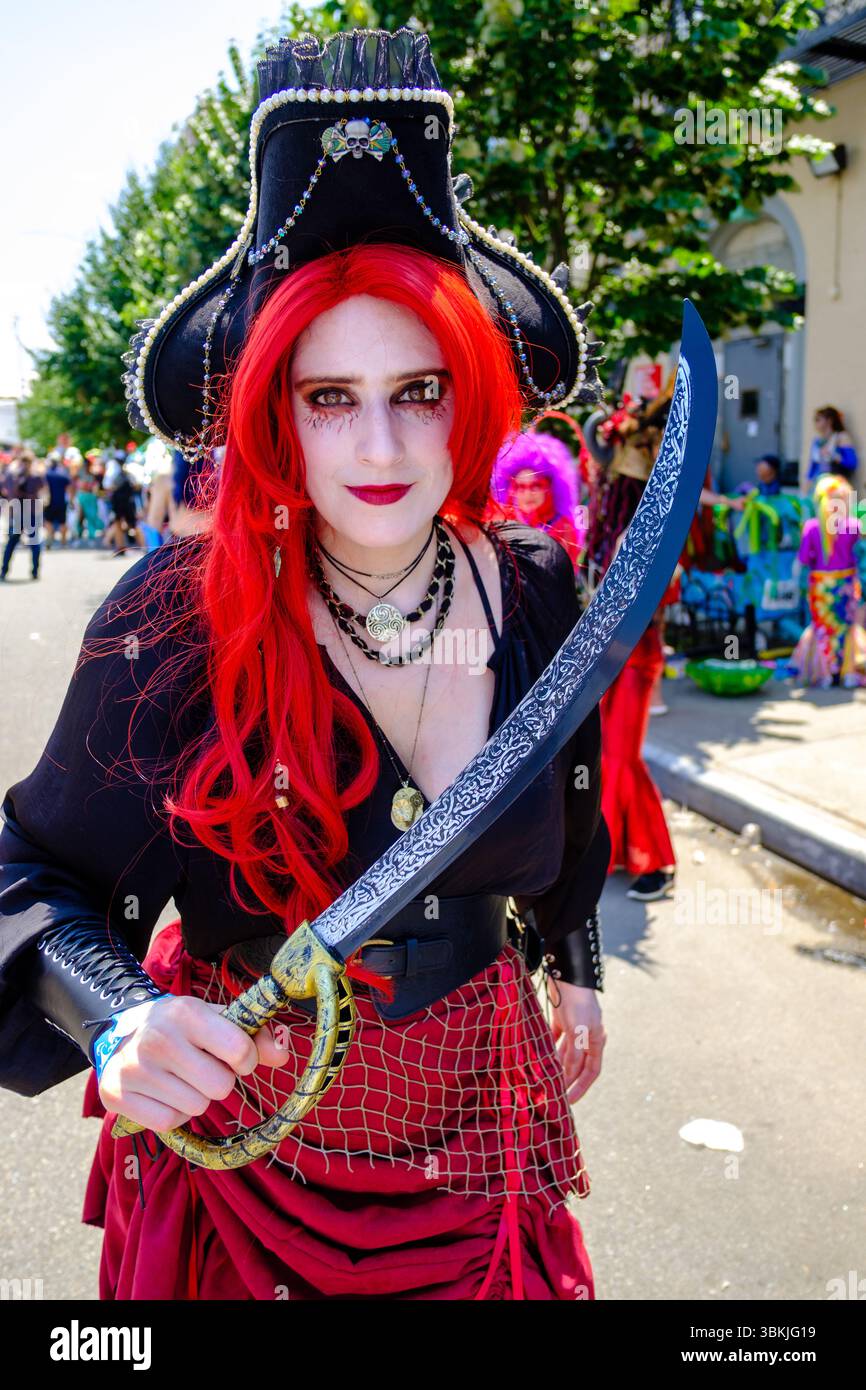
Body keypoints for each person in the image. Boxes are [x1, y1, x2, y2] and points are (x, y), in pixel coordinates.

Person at [0, 27, 612, 1302]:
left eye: (421, 387)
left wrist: (575, 967)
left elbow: (570, 805)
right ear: (274, 406)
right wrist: (120, 1017)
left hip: (481, 1143)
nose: (378, 444)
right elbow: (28, 878)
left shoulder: (540, 586)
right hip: (248, 1167)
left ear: (477, 393)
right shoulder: (179, 614)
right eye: (328, 396)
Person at [789, 473, 866, 688]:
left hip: (825, 587)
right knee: (844, 628)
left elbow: (802, 561)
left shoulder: (813, 527)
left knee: (825, 629)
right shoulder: (851, 525)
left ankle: (826, 673)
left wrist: (794, 583)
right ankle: (846, 672)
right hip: (844, 586)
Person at [489, 429, 584, 572]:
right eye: (520, 487)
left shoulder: (564, 527)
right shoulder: (500, 523)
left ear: (550, 488)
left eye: (536, 486)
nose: (528, 494)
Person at [0, 449, 47, 581]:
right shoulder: (31, 475)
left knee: (20, 542)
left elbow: (7, 492)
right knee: (27, 542)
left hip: (24, 511)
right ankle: (32, 571)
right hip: (24, 511)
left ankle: (7, 571)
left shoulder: (21, 475)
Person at [807, 406, 858, 483]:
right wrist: (805, 488)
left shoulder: (841, 438)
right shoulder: (817, 441)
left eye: (818, 419)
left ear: (829, 420)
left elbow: (852, 463)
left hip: (839, 486)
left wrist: (835, 456)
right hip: (820, 485)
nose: (815, 422)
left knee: (850, 494)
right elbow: (813, 467)